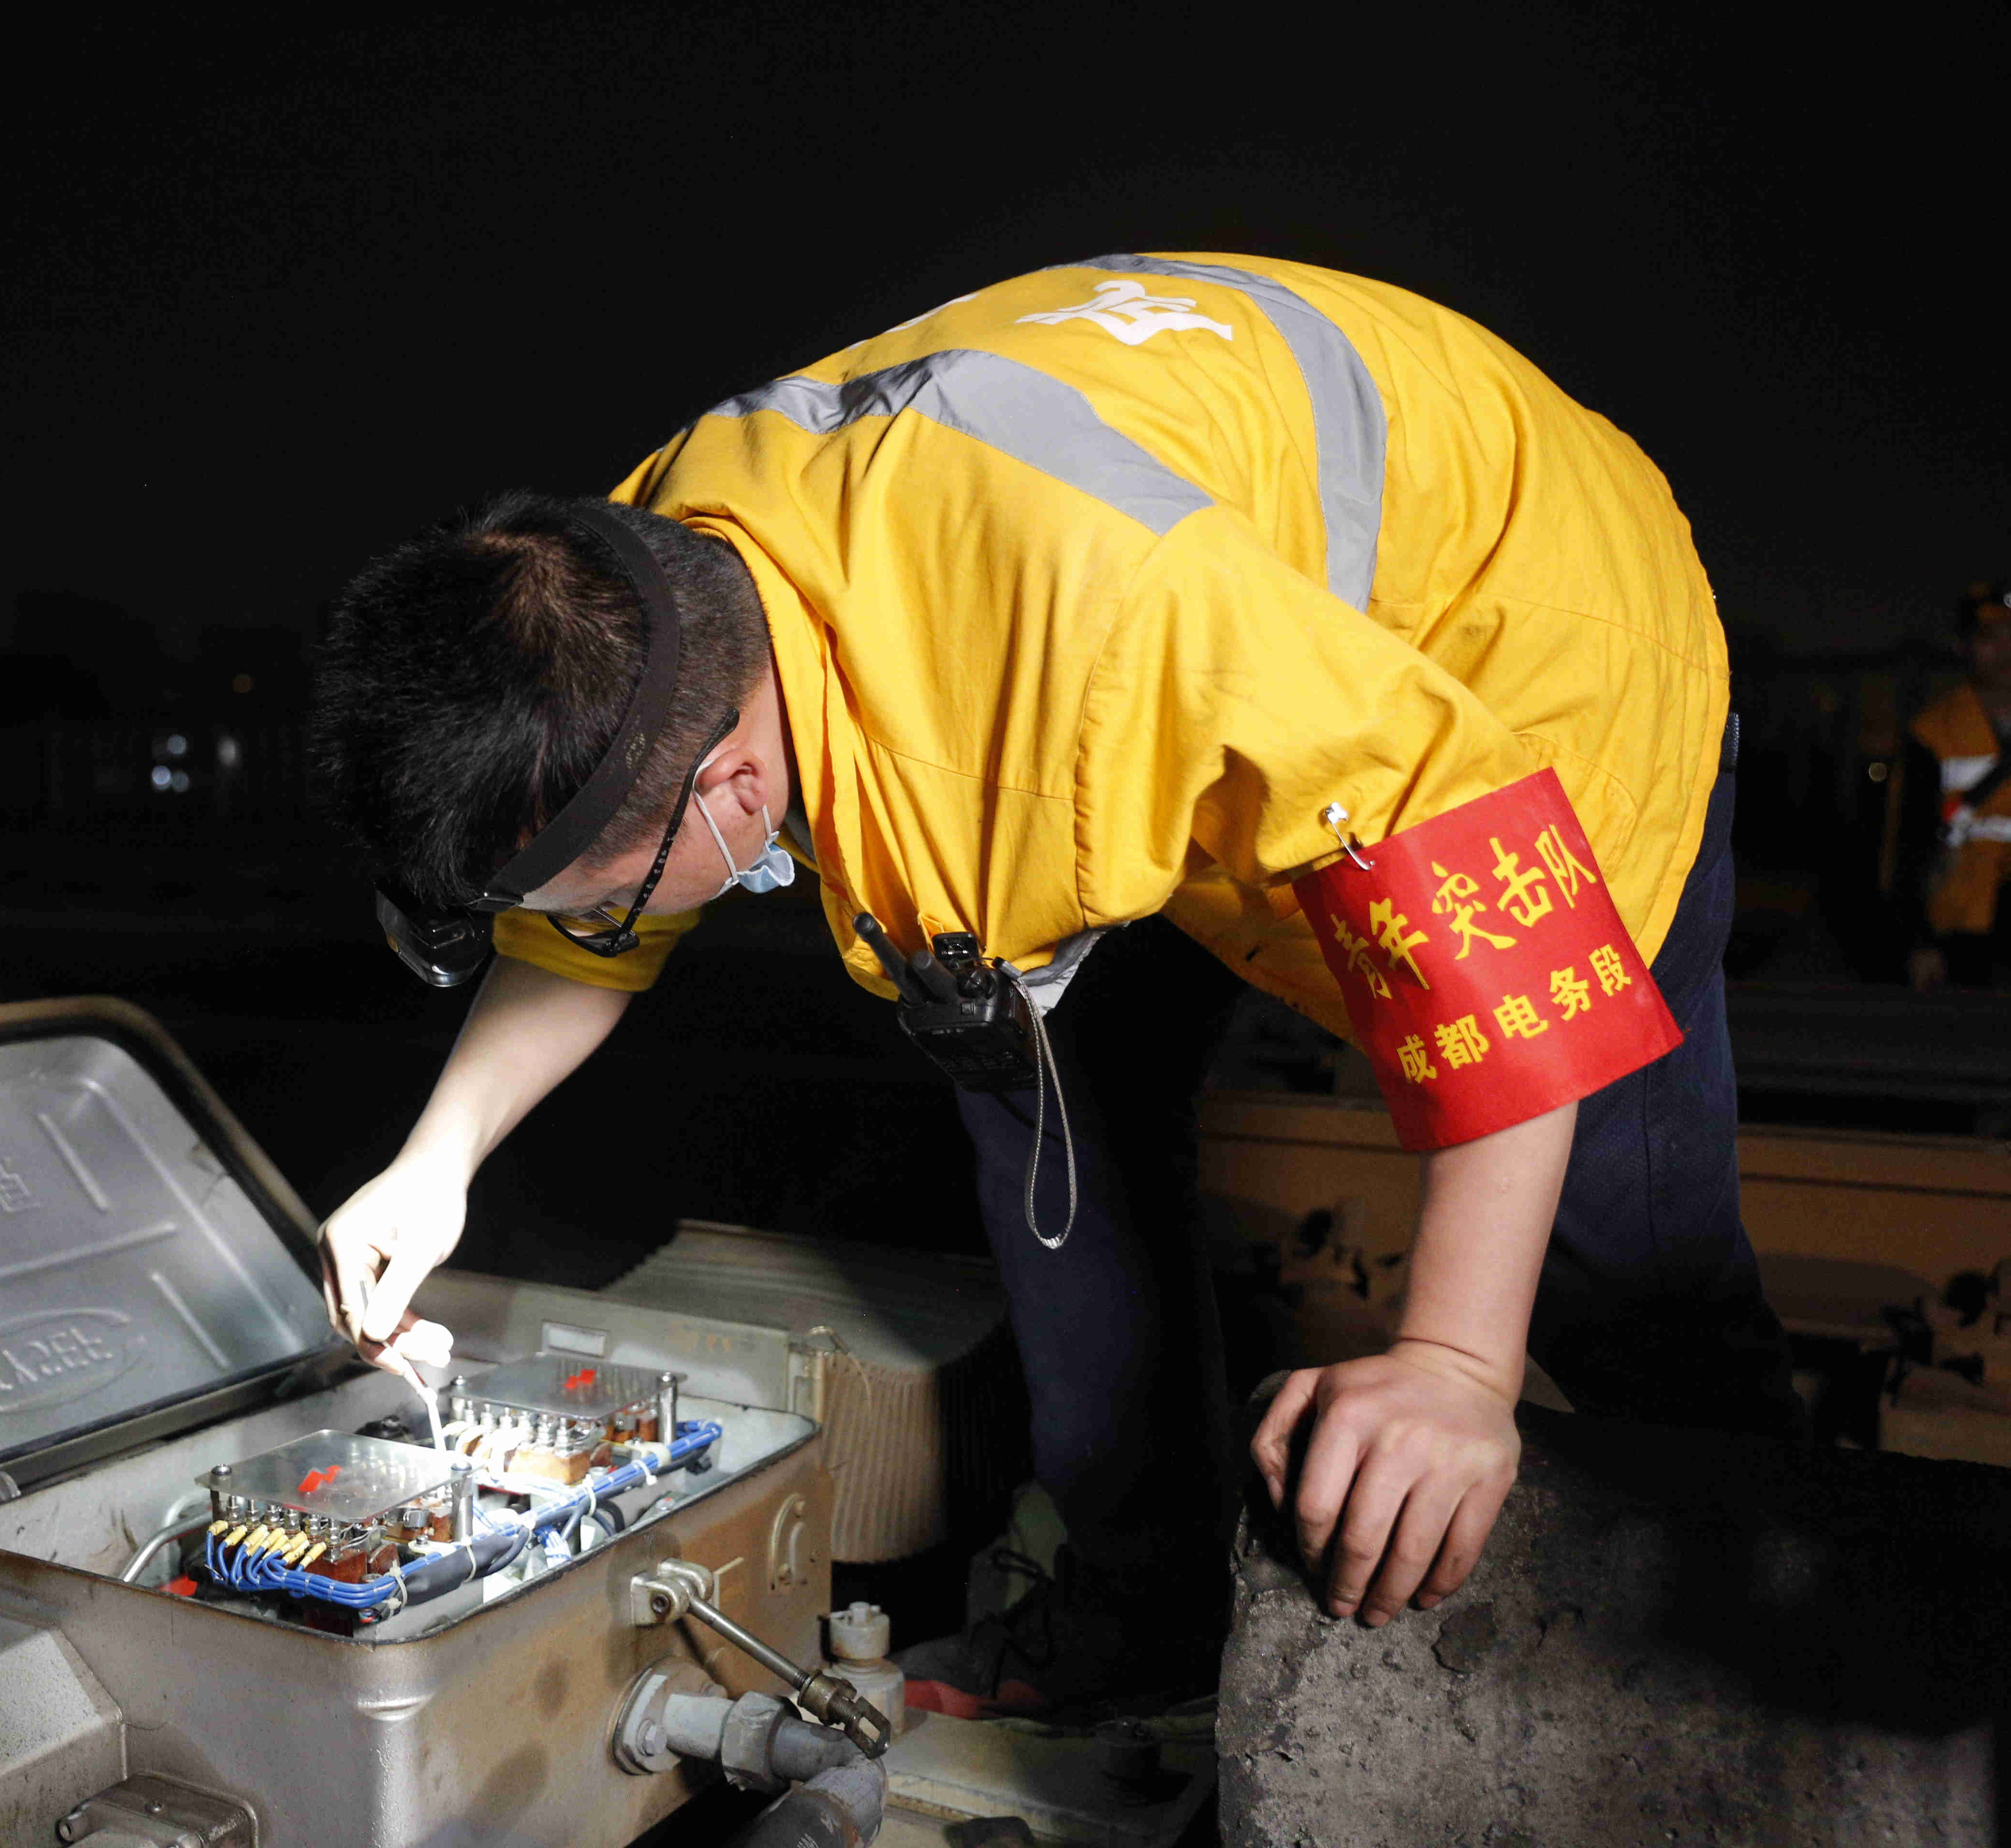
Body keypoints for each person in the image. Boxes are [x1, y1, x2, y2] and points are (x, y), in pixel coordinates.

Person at [307, 253, 1801, 1701]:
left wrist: (1459, 1361)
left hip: (1534, 652)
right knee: (1042, 1117)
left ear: (737, 785)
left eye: (606, 895)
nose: (587, 927)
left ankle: (1784, 1616)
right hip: (1207, 682)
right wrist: (434, 1164)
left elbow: (1464, 838)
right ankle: (1139, 1612)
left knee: (1626, 1243)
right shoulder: (618, 597)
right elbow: (581, 918)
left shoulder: (1105, 616)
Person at [1895, 581, 2011, 990]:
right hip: (1958, 936)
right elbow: (1908, 843)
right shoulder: (1933, 730)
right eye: (1990, 637)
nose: (2005, 650)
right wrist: (1919, 941)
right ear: (1965, 645)